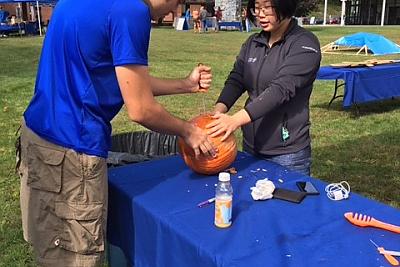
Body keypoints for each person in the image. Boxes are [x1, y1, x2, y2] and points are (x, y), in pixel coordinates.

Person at [16, 0, 217, 266]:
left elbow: (122, 80)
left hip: (37, 138)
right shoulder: (130, 11)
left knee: (50, 251)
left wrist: (185, 85)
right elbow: (140, 108)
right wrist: (188, 131)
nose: (173, 10)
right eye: (177, 1)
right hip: (71, 154)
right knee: (74, 258)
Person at [206, 0, 321, 176]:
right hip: (251, 146)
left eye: (267, 7)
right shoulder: (253, 42)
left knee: (285, 202)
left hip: (287, 153)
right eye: (257, 7)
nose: (260, 14)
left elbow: (281, 89)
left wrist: (235, 120)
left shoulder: (305, 44)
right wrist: (219, 110)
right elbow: (237, 78)